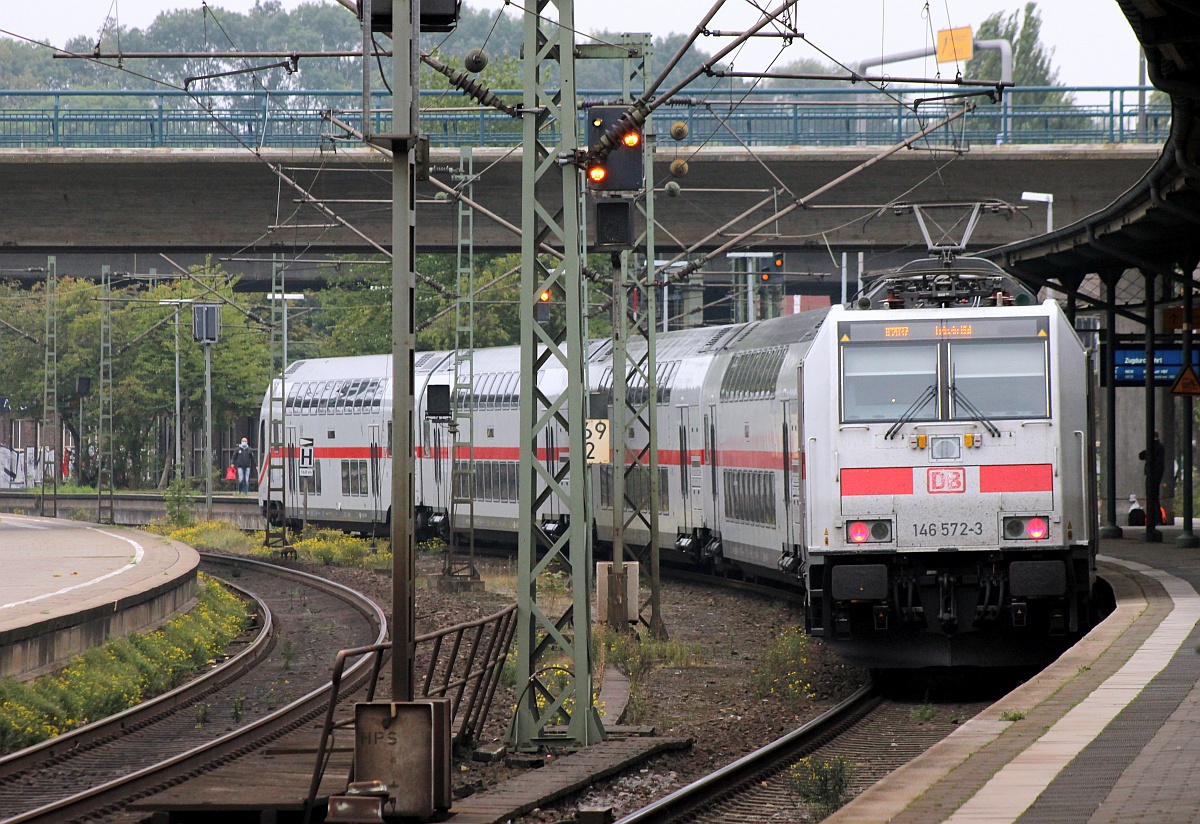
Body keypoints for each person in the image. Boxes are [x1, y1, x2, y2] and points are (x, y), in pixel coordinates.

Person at [1139, 431, 1166, 526]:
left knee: (1151, 496)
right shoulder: (1159, 447)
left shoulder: (1154, 447)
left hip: (1152, 475)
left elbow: (1142, 455)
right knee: (1154, 497)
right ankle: (1157, 518)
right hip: (1156, 475)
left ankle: (1155, 518)